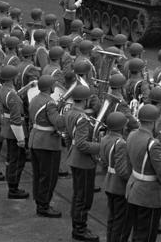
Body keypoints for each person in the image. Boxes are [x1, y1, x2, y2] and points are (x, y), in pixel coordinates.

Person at [65, 84, 102, 242]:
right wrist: (101, 147)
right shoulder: (82, 118)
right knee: (84, 197)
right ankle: (80, 228)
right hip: (83, 161)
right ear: (86, 100)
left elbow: (68, 137)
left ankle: (78, 226)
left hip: (74, 157)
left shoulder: (69, 113)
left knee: (78, 194)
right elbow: (81, 144)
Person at [126, 104, 161, 242]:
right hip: (148, 195)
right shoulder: (153, 143)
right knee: (147, 236)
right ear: (153, 122)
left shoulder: (131, 134)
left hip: (133, 188)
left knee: (137, 232)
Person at [28, 75, 64, 217]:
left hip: (35, 139)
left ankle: (40, 202)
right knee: (48, 176)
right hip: (47, 143)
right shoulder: (49, 103)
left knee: (38, 174)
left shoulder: (35, 98)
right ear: (50, 87)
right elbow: (58, 123)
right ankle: (44, 205)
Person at [101, 111, 131, 242]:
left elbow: (103, 160)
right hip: (119, 186)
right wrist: (132, 180)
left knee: (112, 218)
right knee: (121, 222)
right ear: (122, 127)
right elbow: (122, 170)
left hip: (109, 182)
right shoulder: (121, 143)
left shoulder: (105, 138)